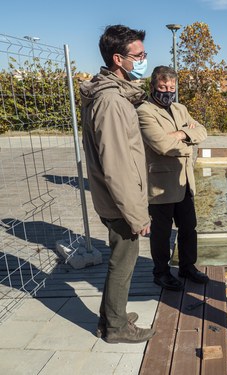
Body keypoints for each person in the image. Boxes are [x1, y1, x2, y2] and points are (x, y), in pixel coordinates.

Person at [80, 24, 154, 344]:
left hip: (117, 199)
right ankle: (116, 327)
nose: (143, 60)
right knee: (123, 262)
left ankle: (112, 316)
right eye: (138, 55)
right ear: (118, 59)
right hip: (120, 201)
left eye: (144, 54)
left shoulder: (114, 95)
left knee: (121, 259)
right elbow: (117, 167)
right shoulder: (110, 102)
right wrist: (137, 215)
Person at [137, 65, 208, 290]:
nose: (167, 91)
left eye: (171, 87)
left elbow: (203, 132)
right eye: (163, 86)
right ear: (153, 86)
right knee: (162, 232)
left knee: (189, 227)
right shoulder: (144, 111)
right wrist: (188, 138)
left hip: (184, 179)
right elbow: (160, 144)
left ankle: (188, 266)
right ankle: (161, 272)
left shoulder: (180, 108)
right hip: (161, 183)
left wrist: (180, 134)